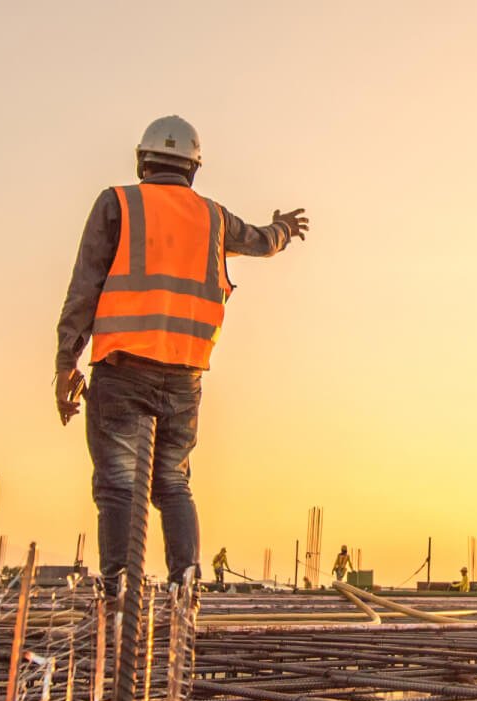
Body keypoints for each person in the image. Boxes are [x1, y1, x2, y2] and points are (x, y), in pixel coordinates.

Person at [54, 116, 308, 593]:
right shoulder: (212, 218)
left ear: (141, 160)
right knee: (172, 482)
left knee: (118, 485)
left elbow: (84, 287)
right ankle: (185, 583)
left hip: (122, 367)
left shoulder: (118, 204)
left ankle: (119, 590)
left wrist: (65, 362)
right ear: (193, 168)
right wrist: (283, 229)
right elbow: (260, 240)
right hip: (185, 375)